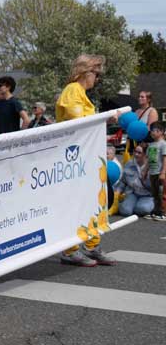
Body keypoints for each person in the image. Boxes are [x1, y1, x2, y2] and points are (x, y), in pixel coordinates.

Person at [55, 54, 116, 265]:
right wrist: (104, 118)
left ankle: (91, 245)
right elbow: (77, 121)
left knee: (95, 200)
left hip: (87, 157)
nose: (97, 79)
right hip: (73, 157)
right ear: (85, 72)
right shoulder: (72, 90)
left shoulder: (80, 92)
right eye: (96, 74)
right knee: (75, 202)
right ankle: (70, 249)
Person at [117, 145, 154, 217]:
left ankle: (151, 205)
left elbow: (156, 187)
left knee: (142, 209)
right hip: (133, 193)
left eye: (139, 153)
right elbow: (123, 181)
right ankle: (129, 204)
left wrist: (143, 179)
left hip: (148, 195)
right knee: (125, 211)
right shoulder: (129, 164)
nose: (136, 154)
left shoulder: (152, 167)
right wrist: (117, 192)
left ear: (145, 155)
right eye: (135, 152)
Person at [145, 122, 166, 221]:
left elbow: (165, 159)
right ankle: (156, 211)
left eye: (154, 130)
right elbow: (148, 160)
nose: (152, 133)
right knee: (155, 193)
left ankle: (163, 213)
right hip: (152, 172)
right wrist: (145, 171)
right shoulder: (151, 145)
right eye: (151, 130)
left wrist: (163, 172)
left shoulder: (163, 144)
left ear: (161, 132)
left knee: (162, 193)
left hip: (160, 173)